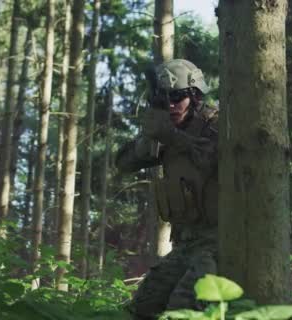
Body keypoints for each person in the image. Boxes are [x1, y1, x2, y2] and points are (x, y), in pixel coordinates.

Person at [116, 59, 219, 320]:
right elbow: (123, 163)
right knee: (141, 308)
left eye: (177, 96)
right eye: (163, 99)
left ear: (195, 95)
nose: (171, 105)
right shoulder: (166, 131)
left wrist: (172, 137)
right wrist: (151, 137)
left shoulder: (215, 123)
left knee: (181, 311)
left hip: (217, 243)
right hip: (184, 244)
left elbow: (213, 158)